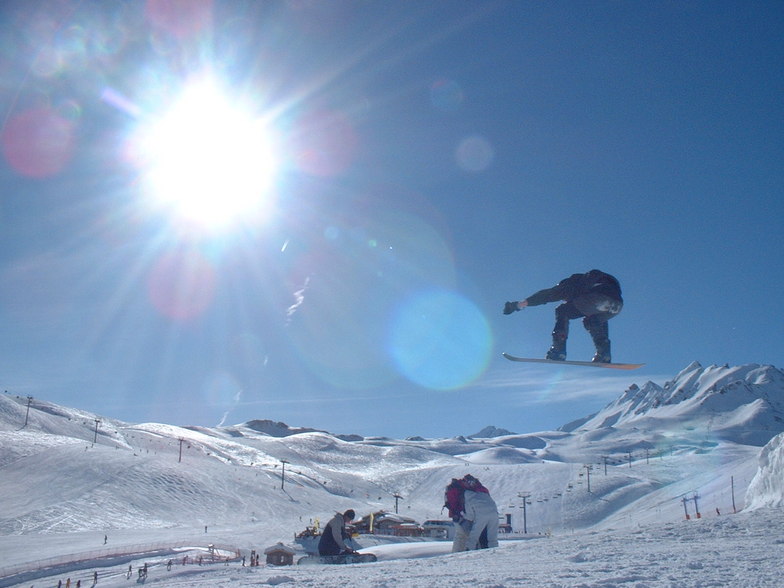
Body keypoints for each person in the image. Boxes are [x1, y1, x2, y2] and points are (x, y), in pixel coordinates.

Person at [504, 269, 623, 363]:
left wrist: (519, 305)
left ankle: (558, 351)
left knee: (562, 310)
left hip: (598, 297)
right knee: (593, 320)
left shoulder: (569, 285)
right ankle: (604, 354)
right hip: (617, 304)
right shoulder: (588, 280)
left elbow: (546, 295)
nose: (565, 300)